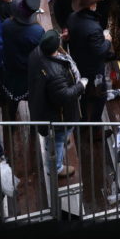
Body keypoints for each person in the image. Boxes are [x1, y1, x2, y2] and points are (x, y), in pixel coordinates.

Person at [27, 29, 83, 179]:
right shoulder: (55, 72)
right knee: (56, 140)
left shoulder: (35, 53)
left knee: (54, 136)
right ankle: (56, 168)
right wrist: (81, 86)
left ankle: (56, 142)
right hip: (57, 117)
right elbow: (64, 96)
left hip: (41, 105)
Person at [65, 0, 113, 121]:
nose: (96, 5)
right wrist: (108, 41)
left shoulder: (72, 17)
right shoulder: (93, 27)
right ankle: (95, 122)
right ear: (91, 6)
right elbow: (100, 52)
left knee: (83, 93)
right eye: (95, 3)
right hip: (93, 68)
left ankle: (84, 117)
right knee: (101, 95)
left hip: (78, 61)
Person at [0, 0, 44, 120]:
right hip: (26, 72)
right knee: (32, 99)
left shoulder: (6, 24)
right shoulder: (37, 32)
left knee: (12, 101)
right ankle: (33, 122)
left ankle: (12, 117)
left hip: (10, 67)